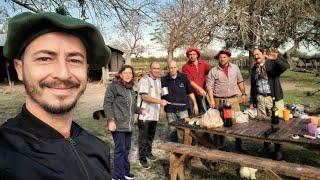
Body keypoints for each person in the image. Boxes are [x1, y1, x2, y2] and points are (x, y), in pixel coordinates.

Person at [0, 12, 112, 179]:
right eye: (45, 58)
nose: (63, 74)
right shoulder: (6, 156)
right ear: (19, 68)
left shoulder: (98, 148)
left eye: (75, 60)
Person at [104, 65, 143, 180]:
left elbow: (131, 106)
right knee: (120, 150)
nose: (128, 75)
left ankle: (125, 172)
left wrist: (139, 110)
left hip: (129, 126)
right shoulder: (113, 87)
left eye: (130, 73)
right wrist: (110, 120)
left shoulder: (130, 88)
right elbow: (107, 104)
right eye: (125, 73)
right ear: (120, 74)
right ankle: (117, 176)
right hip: (118, 125)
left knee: (126, 150)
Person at [250, 47, 289, 160]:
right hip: (261, 98)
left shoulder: (272, 64)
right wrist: (253, 100)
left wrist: (276, 59)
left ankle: (278, 149)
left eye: (258, 54)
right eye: (254, 55)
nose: (256, 56)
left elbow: (285, 67)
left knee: (277, 124)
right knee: (263, 123)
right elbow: (253, 85)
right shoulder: (254, 69)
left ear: (263, 54)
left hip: (273, 99)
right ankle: (266, 145)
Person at [206, 50, 247, 152]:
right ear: (217, 59)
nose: (222, 59)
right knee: (219, 123)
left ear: (228, 57)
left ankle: (239, 145)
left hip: (233, 99)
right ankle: (220, 144)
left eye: (224, 57)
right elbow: (209, 87)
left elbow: (240, 81)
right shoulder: (213, 71)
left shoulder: (235, 68)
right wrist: (211, 100)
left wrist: (244, 93)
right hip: (219, 100)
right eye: (220, 57)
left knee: (237, 122)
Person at [137, 62, 168, 169]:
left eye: (158, 68)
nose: (156, 70)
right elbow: (144, 97)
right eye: (154, 68)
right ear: (150, 69)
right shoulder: (144, 80)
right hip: (144, 114)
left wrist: (162, 108)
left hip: (154, 113)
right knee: (143, 137)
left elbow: (161, 96)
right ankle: (142, 158)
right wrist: (159, 102)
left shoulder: (159, 81)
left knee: (151, 135)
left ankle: (148, 152)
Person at [161, 60, 198, 143]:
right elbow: (163, 95)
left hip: (183, 110)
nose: (173, 69)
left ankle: (185, 149)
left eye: (174, 67)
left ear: (177, 67)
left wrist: (195, 104)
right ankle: (175, 149)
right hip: (170, 110)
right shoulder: (164, 80)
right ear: (168, 68)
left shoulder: (184, 77)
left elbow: (190, 92)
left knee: (185, 130)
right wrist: (162, 109)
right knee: (172, 130)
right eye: (171, 68)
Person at [182, 47, 211, 114]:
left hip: (203, 93)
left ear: (197, 55)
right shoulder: (185, 67)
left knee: (205, 112)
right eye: (190, 54)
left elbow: (211, 73)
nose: (192, 56)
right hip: (191, 94)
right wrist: (199, 89)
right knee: (193, 113)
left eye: (194, 54)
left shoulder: (203, 64)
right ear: (188, 56)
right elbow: (190, 81)